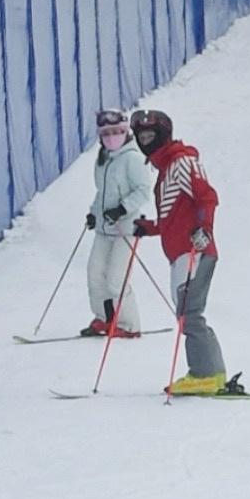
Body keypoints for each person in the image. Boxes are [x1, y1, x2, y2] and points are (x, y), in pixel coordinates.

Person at [130, 110, 231, 396]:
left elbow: (207, 196)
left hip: (195, 249)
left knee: (189, 312)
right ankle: (212, 371)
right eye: (142, 136)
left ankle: (205, 373)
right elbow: (172, 221)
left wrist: (204, 228)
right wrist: (149, 228)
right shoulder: (165, 171)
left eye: (151, 136)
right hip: (180, 253)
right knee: (188, 312)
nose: (146, 141)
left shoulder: (182, 162)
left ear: (163, 135)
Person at [82, 109, 156, 338]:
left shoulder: (132, 158)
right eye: (106, 133)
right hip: (105, 229)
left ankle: (129, 325)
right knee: (95, 274)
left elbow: (144, 190)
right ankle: (105, 318)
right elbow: (102, 193)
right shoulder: (103, 160)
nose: (111, 137)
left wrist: (122, 209)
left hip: (126, 228)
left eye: (117, 132)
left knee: (115, 278)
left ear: (126, 133)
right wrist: (94, 213)